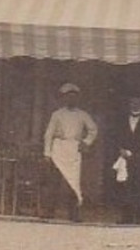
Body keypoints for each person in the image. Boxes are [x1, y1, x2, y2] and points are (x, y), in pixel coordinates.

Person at [42, 82, 98, 222]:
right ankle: (49, 211)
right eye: (68, 97)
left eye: (74, 97)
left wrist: (85, 142)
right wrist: (47, 153)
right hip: (58, 149)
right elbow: (48, 134)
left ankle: (73, 213)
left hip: (73, 150)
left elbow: (93, 129)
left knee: (73, 182)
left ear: (77, 98)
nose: (71, 99)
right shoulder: (57, 114)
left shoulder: (83, 115)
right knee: (53, 182)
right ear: (63, 98)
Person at [108, 95, 140, 225]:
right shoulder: (122, 120)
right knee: (126, 187)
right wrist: (120, 149)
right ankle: (127, 217)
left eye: (137, 102)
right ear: (129, 104)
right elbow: (116, 136)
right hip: (125, 157)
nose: (135, 104)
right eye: (132, 102)